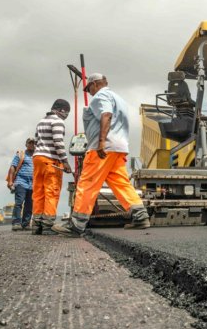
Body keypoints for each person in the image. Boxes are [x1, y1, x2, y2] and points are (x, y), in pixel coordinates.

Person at [52, 73, 150, 237]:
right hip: (119, 147)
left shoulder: (100, 97)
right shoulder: (119, 99)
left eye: (89, 88)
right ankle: (140, 216)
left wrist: (101, 141)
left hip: (103, 148)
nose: (89, 92)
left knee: (87, 183)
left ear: (95, 84)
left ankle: (77, 224)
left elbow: (106, 115)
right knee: (120, 183)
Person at [32, 99, 72, 235]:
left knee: (38, 191)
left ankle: (36, 225)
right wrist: (65, 161)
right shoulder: (58, 122)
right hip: (51, 160)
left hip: (37, 158)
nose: (67, 115)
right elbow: (58, 142)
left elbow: (36, 141)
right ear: (61, 110)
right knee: (51, 191)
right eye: (67, 112)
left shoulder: (41, 121)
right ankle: (48, 225)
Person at [7, 138, 35, 231]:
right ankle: (16, 223)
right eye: (30, 143)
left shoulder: (37, 156)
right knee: (19, 203)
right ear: (26, 144)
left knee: (29, 204)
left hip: (32, 184)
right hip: (21, 182)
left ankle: (26, 224)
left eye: (33, 143)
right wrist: (11, 181)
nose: (31, 145)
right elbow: (13, 167)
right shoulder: (21, 154)